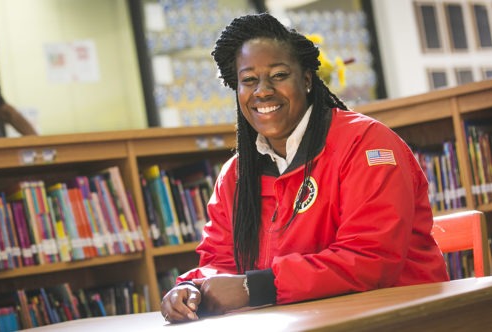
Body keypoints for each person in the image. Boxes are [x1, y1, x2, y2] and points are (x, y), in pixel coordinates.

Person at [160, 13, 449, 323]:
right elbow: (218, 261)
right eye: (249, 80)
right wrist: (193, 288)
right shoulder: (235, 176)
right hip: (307, 322)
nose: (263, 90)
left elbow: (370, 259)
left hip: (403, 320)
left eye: (279, 75)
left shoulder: (367, 145)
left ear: (307, 79)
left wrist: (255, 287)